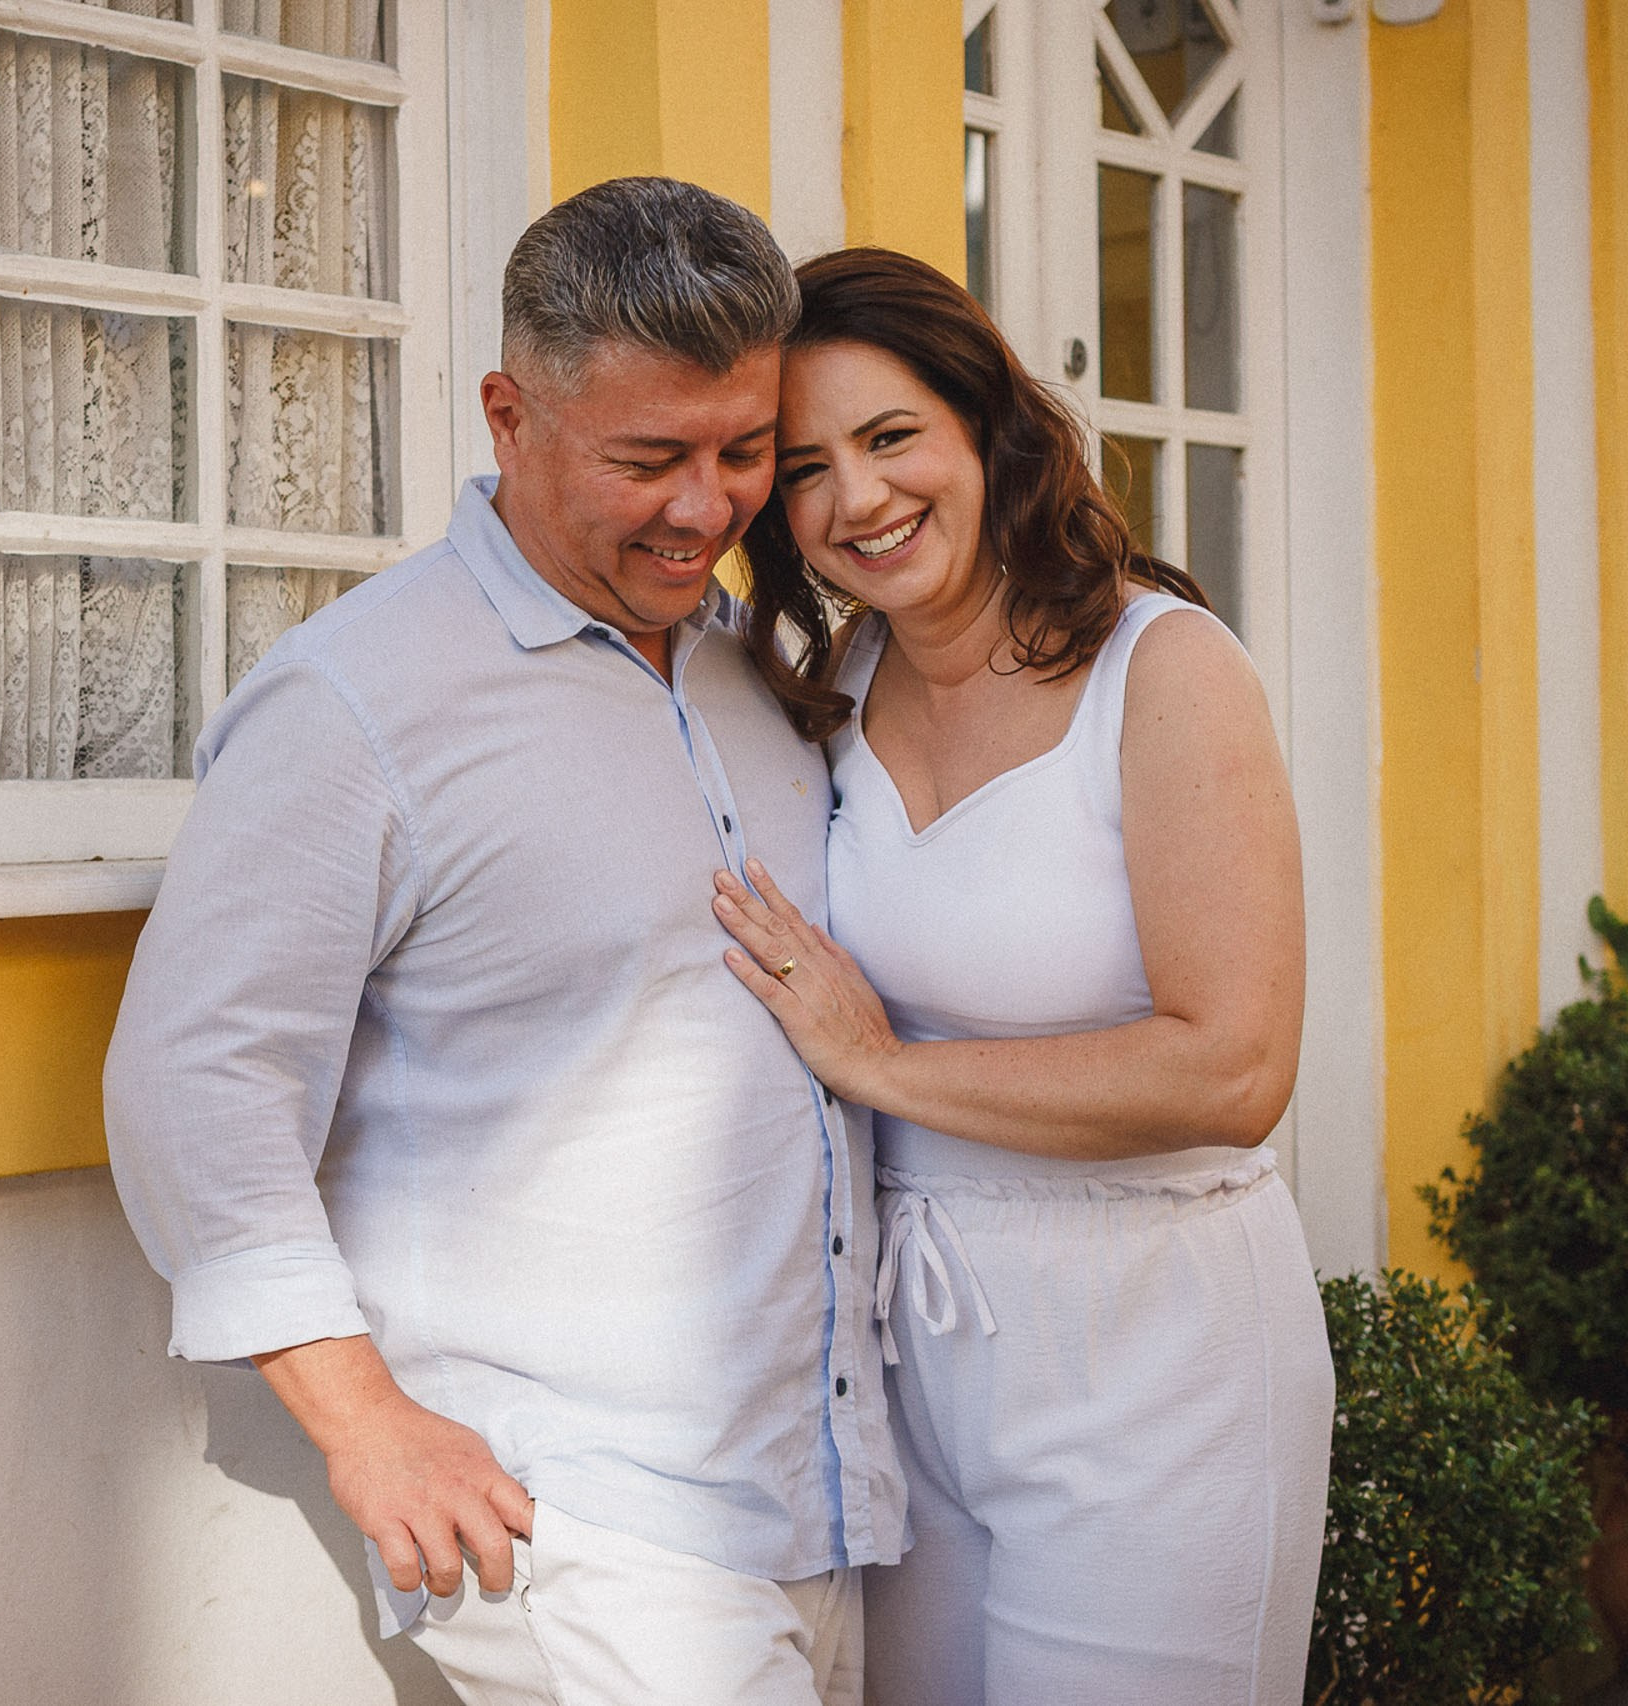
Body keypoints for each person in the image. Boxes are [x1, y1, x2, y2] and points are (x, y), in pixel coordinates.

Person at [104, 179, 905, 1706]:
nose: (707, 506)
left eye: (744, 450)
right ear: (508, 417)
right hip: (585, 1514)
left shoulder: (758, 670)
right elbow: (193, 1075)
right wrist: (362, 1418)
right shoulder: (356, 701)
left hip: (821, 1497)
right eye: (649, 459)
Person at [711, 246, 1333, 1705]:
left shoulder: (1161, 668)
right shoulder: (831, 688)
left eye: (889, 438)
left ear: (986, 428)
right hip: (907, 1351)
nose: (856, 500)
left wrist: (889, 1069)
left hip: (1155, 1348)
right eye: (805, 468)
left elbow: (1236, 1068)